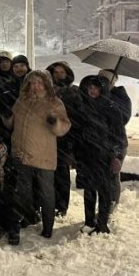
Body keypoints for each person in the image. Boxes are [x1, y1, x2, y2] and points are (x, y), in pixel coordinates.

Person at [10, 71, 71, 238]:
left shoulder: (54, 103)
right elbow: (12, 121)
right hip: (21, 153)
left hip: (43, 154)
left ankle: (48, 227)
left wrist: (55, 122)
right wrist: (5, 117)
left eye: (39, 82)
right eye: (32, 82)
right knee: (24, 191)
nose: (35, 86)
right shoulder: (22, 100)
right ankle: (28, 218)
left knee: (47, 193)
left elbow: (64, 127)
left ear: (46, 84)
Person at [76, 75, 123, 234]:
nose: (92, 91)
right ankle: (89, 221)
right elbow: (77, 132)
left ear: (102, 89)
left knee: (105, 192)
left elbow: (119, 135)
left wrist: (117, 156)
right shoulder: (82, 108)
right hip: (87, 156)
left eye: (95, 87)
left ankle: (102, 223)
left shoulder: (111, 109)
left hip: (105, 156)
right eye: (89, 87)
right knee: (89, 191)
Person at [45, 61, 83, 217]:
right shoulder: (46, 91)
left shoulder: (73, 92)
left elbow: (77, 117)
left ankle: (61, 205)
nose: (59, 75)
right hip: (46, 137)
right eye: (56, 72)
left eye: (62, 72)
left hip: (65, 138)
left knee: (62, 173)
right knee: (47, 173)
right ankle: (48, 203)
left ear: (67, 74)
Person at [98, 69, 131, 212]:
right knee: (102, 178)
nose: (101, 81)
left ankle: (111, 208)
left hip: (116, 143)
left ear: (113, 81)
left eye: (105, 79)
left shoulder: (120, 96)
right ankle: (103, 208)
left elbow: (123, 118)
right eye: (100, 77)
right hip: (99, 142)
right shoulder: (98, 94)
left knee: (112, 176)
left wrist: (108, 100)